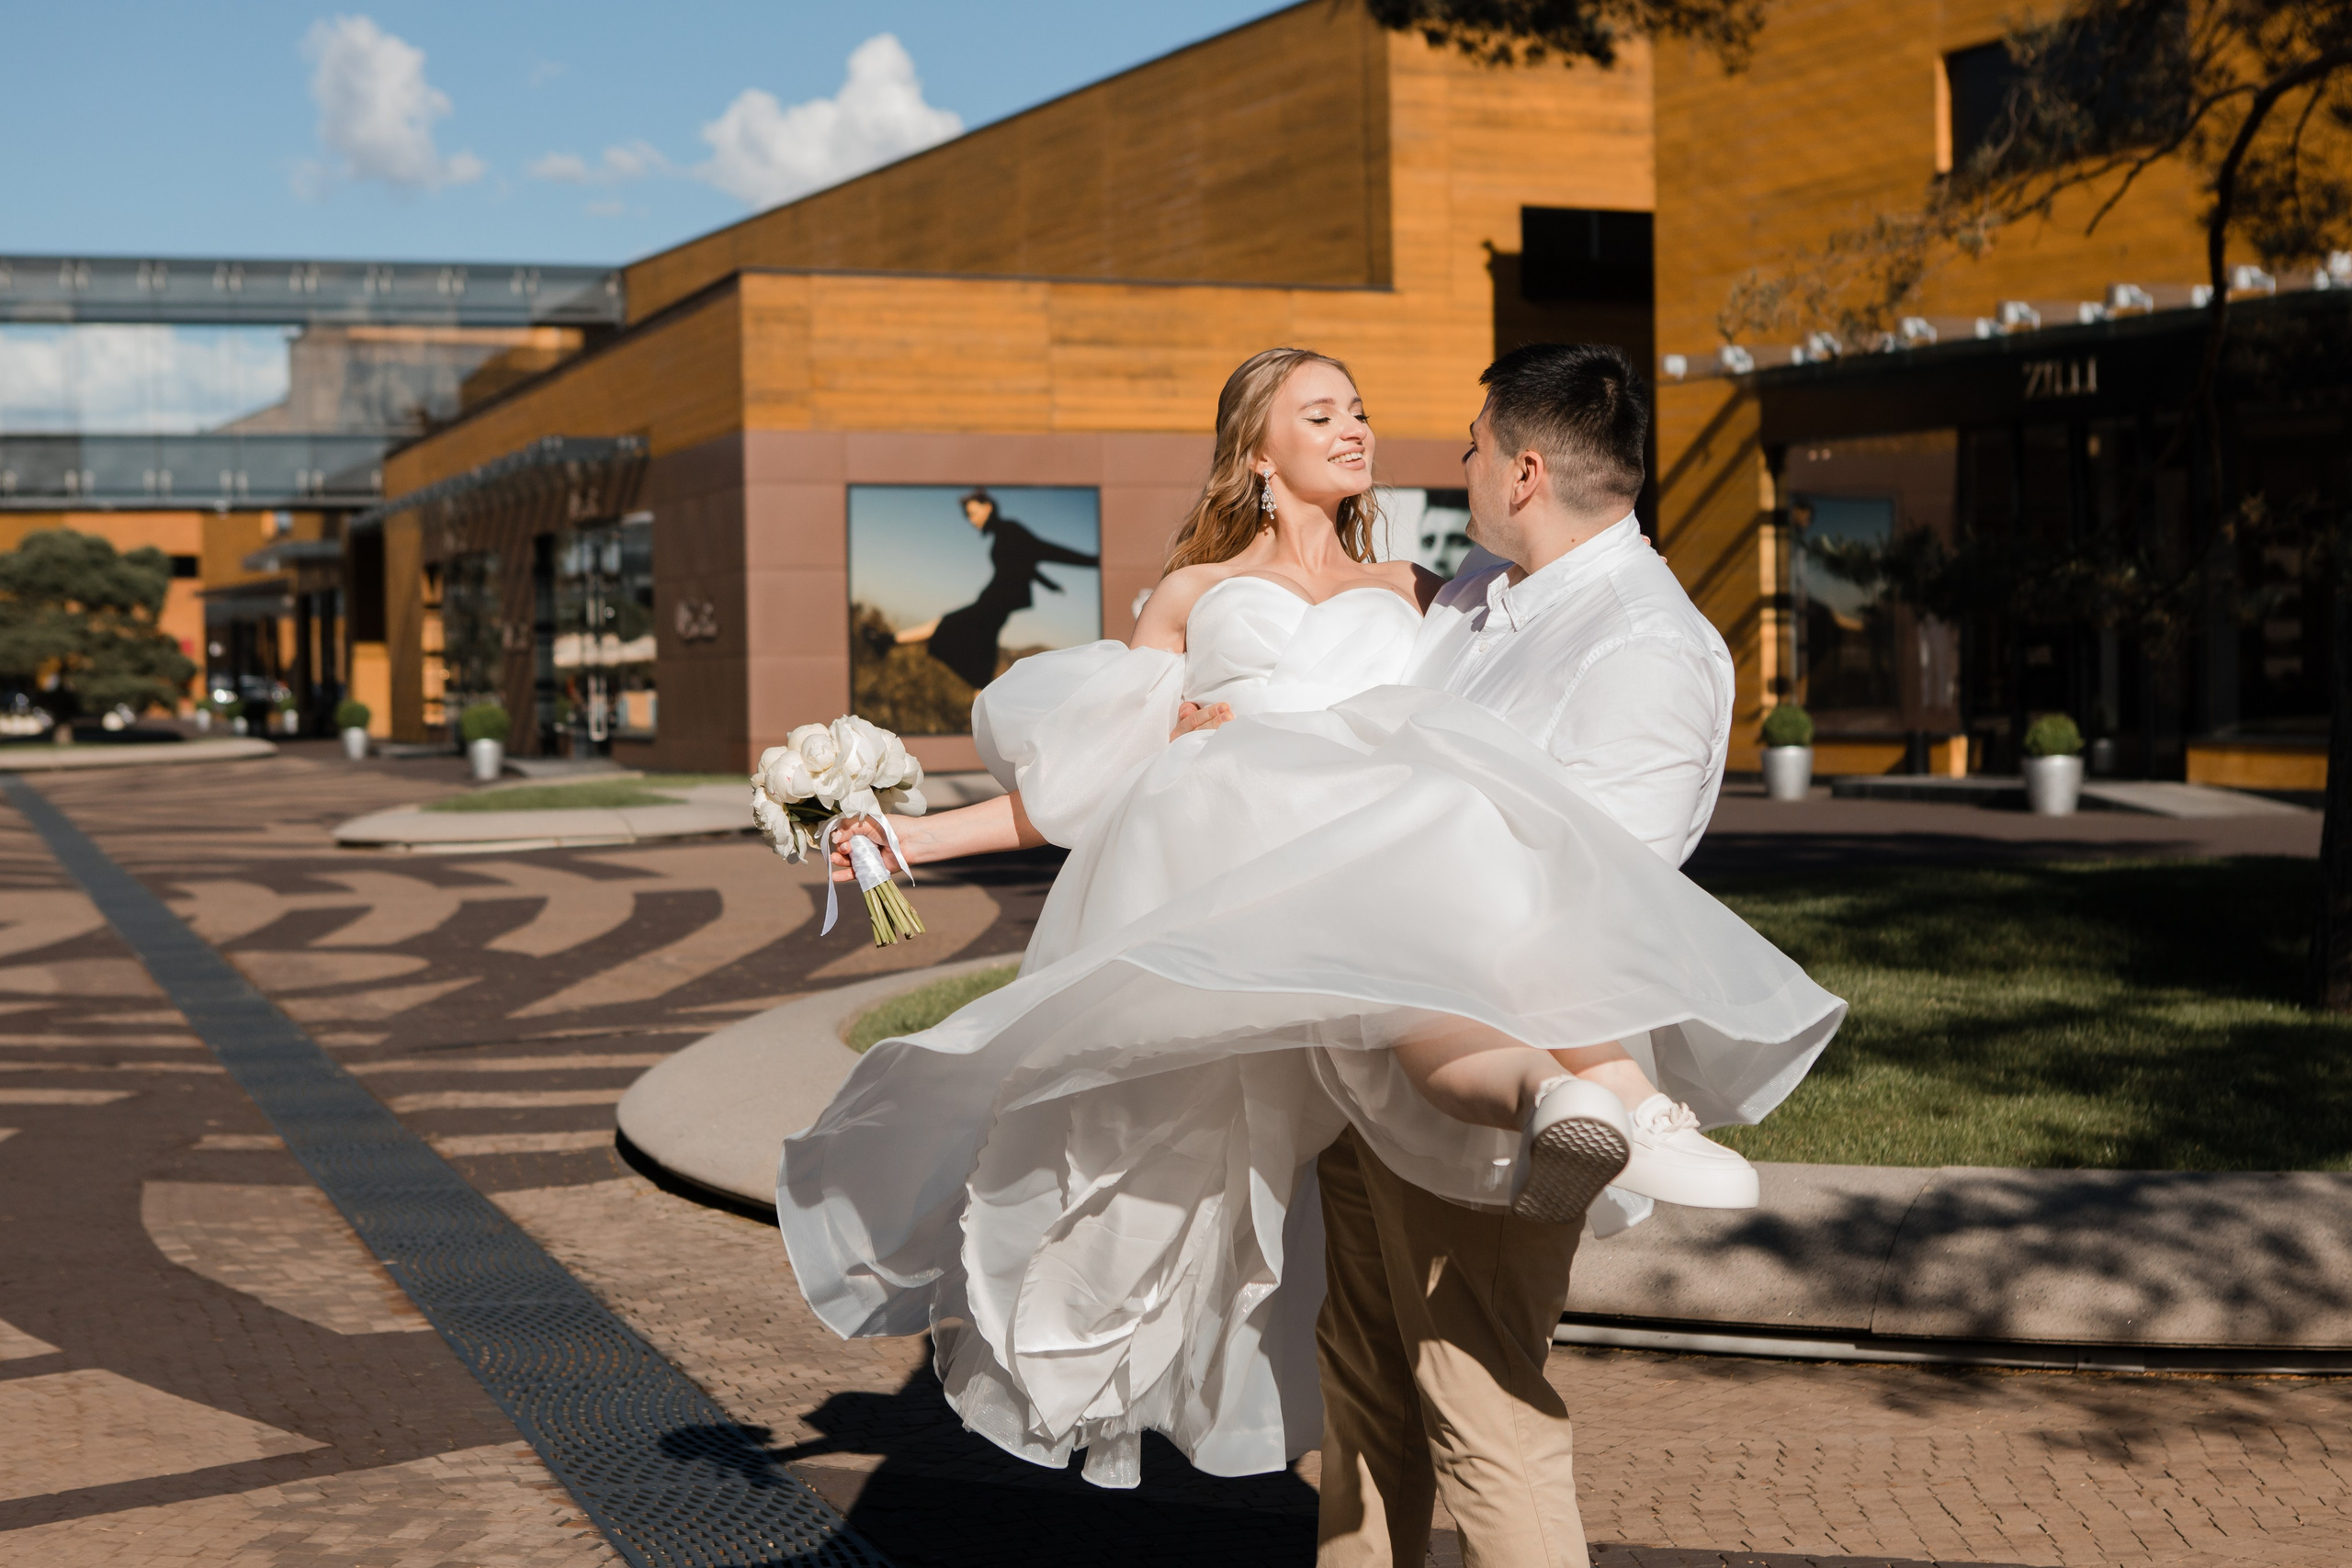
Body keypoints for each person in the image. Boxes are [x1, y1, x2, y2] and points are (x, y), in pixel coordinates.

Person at [776, 346, 1843, 1530]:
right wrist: (907, 841)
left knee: (1470, 1403)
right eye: (1319, 411)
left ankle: (1593, 1095)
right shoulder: (1220, 593)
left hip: (1416, 943)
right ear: (1255, 452)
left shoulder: (1430, 592)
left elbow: (1538, 821)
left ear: (1525, 469)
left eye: (1362, 408)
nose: (1363, 431)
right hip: (1307, 985)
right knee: (1363, 1383)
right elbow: (1087, 782)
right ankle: (1581, 1096)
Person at [891, 489, 1102, 690]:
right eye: (969, 517)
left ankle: (887, 641)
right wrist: (1052, 585)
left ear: (988, 507)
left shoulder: (1010, 530)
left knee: (946, 625)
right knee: (978, 652)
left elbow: (1045, 551)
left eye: (973, 513)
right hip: (993, 602)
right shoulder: (1003, 534)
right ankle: (888, 642)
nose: (972, 521)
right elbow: (1026, 568)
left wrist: (1094, 561)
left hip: (994, 603)